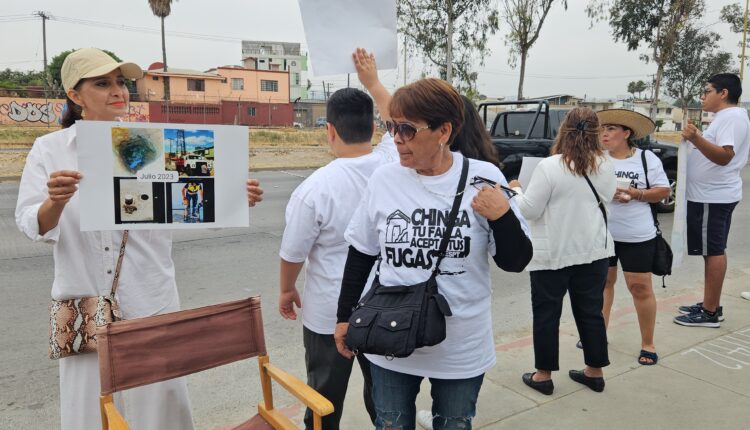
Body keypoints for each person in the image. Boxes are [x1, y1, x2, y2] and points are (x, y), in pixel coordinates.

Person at [14, 48, 262, 430]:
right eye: (102, 83)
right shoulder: (50, 151)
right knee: (92, 411)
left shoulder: (159, 145)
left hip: (151, 301)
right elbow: (33, 223)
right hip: (88, 309)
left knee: (160, 408)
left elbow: (196, 209)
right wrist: (55, 201)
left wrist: (233, 197)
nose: (118, 91)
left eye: (121, 82)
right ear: (75, 96)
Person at [334, 78, 532, 430]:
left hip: (461, 344)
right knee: (391, 423)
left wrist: (501, 217)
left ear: (443, 131)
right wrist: (343, 317)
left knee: (454, 423)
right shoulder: (384, 179)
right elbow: (361, 253)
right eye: (392, 126)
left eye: (407, 129)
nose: (396, 138)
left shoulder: (484, 177)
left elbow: (515, 261)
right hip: (390, 339)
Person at [277, 49, 397, 430]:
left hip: (328, 314)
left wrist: (286, 289)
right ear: (375, 129)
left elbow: (293, 253)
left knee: (324, 398)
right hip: (385, 309)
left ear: (329, 130)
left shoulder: (314, 189)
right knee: (386, 396)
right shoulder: (393, 164)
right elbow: (401, 118)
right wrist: (374, 83)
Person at [508, 107, 616, 395]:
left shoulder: (550, 166)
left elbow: (530, 209)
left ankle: (543, 375)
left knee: (547, 314)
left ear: (563, 131)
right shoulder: (605, 165)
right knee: (591, 312)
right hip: (594, 250)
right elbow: (606, 200)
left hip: (552, 253)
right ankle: (595, 371)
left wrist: (516, 189)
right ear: (596, 134)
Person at [675, 73, 750, 327]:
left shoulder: (731, 117)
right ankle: (711, 303)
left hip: (713, 196)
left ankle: (709, 313)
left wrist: (696, 138)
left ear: (723, 93)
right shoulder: (726, 118)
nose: (703, 96)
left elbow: (724, 156)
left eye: (707, 91)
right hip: (710, 195)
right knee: (712, 251)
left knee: (714, 251)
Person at [597, 109, 670, 365]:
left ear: (626, 133)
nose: (604, 134)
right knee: (603, 283)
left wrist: (635, 194)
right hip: (602, 234)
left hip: (638, 234)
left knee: (639, 287)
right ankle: (598, 335)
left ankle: (647, 343)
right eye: (602, 129)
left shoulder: (646, 159)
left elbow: (663, 191)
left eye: (611, 129)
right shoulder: (597, 159)